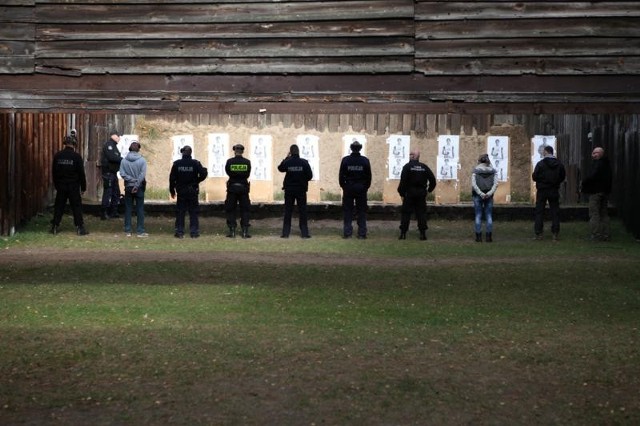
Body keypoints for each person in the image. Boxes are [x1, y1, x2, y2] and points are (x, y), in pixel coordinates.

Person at [50, 135, 89, 236]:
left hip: (61, 186)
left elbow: (54, 172)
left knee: (59, 206)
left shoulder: (58, 156)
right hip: (73, 186)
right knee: (76, 207)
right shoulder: (76, 157)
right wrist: (83, 187)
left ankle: (54, 226)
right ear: (75, 144)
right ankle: (80, 228)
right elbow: (81, 173)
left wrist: (56, 185)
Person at [170, 145, 208, 239]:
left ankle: (179, 232)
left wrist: (172, 190)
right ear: (191, 153)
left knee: (180, 212)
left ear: (182, 152)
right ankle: (194, 232)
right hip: (192, 190)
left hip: (181, 190)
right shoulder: (195, 163)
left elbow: (172, 179)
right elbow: (204, 173)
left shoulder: (177, 164)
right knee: (193, 212)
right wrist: (197, 181)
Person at [397, 150, 437, 240]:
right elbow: (433, 180)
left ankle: (403, 233)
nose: (410, 156)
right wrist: (428, 191)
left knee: (406, 214)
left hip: (409, 193)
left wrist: (401, 193)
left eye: (411, 154)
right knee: (421, 214)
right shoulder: (424, 167)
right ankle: (423, 234)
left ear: (414, 156)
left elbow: (403, 181)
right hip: (421, 194)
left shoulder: (407, 167)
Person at [277, 144, 313, 238]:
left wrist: (286, 158)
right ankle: (304, 233)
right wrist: (302, 179)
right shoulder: (304, 163)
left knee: (288, 211)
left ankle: (285, 233)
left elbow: (280, 168)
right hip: (301, 189)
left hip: (289, 190)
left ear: (291, 152)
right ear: (298, 151)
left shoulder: (288, 162)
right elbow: (310, 176)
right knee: (302, 211)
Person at [339, 140, 372, 239]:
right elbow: (369, 177)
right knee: (361, 211)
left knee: (348, 211)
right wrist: (365, 187)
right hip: (361, 188)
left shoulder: (345, 160)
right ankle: (362, 233)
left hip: (348, 188)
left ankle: (347, 233)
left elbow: (341, 176)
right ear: (360, 149)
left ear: (351, 148)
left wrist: (344, 186)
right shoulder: (365, 160)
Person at [532, 145, 566, 241]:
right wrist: (556, 182)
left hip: (542, 190)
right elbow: (562, 176)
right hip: (554, 190)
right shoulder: (559, 164)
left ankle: (539, 234)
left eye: (543, 151)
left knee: (539, 212)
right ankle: (555, 234)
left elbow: (534, 176)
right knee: (555, 212)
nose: (542, 153)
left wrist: (541, 181)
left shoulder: (540, 164)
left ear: (546, 152)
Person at [581, 146, 612, 241]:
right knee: (604, 213)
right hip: (604, 192)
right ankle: (605, 234)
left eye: (596, 153)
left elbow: (592, 176)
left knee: (594, 213)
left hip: (595, 192)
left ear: (601, 154)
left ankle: (596, 235)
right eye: (593, 153)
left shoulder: (598, 164)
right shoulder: (607, 164)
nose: (593, 155)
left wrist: (584, 182)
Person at [118, 141, 148, 237]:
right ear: (138, 149)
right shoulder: (142, 160)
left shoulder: (124, 161)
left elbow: (122, 173)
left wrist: (131, 180)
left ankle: (127, 230)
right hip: (139, 187)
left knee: (128, 209)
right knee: (140, 209)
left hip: (128, 186)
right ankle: (140, 231)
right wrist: (136, 184)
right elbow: (142, 175)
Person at [223, 144, 252, 238]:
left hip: (232, 188)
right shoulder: (247, 162)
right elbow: (247, 174)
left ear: (235, 151)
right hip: (243, 188)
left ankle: (232, 231)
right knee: (245, 210)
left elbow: (228, 172)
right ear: (242, 151)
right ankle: (244, 232)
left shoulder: (229, 162)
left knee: (231, 209)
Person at [471, 154, 498, 242]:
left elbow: (474, 185)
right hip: (489, 195)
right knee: (489, 215)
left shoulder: (475, 171)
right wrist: (489, 193)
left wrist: (480, 193)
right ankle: (488, 237)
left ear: (479, 161)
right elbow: (495, 184)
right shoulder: (493, 171)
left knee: (478, 215)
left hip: (477, 195)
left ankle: (478, 237)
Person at [100, 130, 122, 220]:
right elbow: (112, 157)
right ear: (114, 136)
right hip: (108, 173)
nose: (119, 138)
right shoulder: (109, 145)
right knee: (108, 193)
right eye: (118, 136)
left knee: (116, 193)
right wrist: (122, 159)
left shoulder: (114, 146)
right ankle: (104, 213)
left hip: (113, 173)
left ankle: (113, 212)